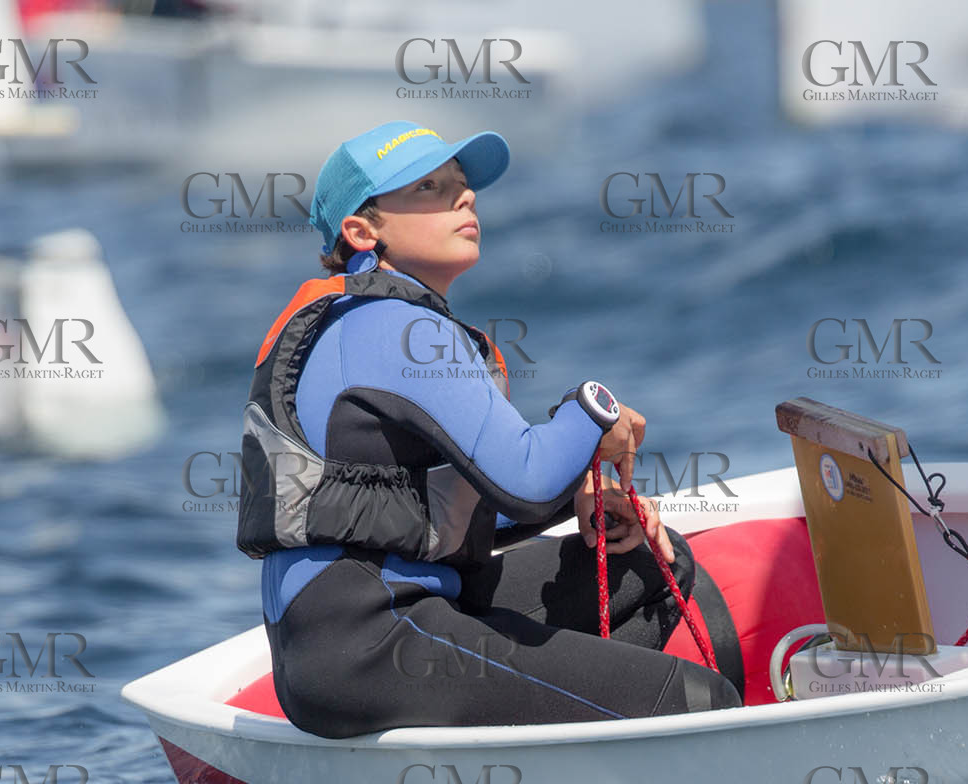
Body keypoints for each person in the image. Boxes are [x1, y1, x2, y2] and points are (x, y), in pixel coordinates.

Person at [235, 120, 742, 738]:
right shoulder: (393, 325)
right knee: (702, 701)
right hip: (371, 639)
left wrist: (580, 497)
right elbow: (527, 480)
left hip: (369, 630)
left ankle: (581, 751)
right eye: (429, 187)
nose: (465, 197)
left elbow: (454, 510)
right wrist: (595, 410)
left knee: (653, 566)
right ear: (363, 231)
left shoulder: (377, 320)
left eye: (462, 185)